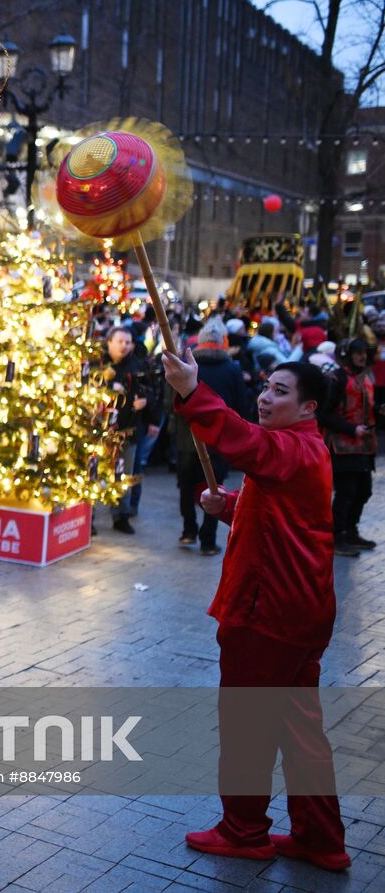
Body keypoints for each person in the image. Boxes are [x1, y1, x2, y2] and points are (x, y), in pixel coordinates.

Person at [162, 351, 349, 873]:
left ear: (309, 406)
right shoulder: (306, 450)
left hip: (269, 614)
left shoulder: (294, 448)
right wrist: (232, 509)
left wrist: (192, 391)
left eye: (281, 391)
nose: (266, 397)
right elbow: (284, 522)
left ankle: (244, 831)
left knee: (248, 725)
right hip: (301, 612)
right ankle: (320, 837)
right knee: (299, 728)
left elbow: (244, 441)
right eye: (266, 387)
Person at [170, 318, 246, 556]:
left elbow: (169, 402)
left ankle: (188, 530)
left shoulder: (184, 368)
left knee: (186, 486)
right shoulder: (232, 370)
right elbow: (241, 406)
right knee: (215, 489)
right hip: (217, 440)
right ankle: (207, 539)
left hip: (186, 438)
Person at [320, 337, 376, 557]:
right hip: (342, 446)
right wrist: (351, 429)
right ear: (347, 354)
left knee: (364, 491)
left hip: (364, 446)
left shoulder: (366, 376)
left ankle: (351, 530)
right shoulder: (336, 379)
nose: (363, 356)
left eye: (364, 352)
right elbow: (323, 414)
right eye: (358, 352)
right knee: (346, 492)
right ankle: (336, 536)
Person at [104, 326, 160, 534]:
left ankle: (121, 515)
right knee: (96, 473)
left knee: (124, 474)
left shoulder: (138, 366)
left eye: (127, 342)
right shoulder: (100, 365)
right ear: (109, 342)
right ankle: (88, 518)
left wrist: (146, 403)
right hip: (100, 431)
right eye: (120, 341)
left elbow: (152, 392)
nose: (124, 346)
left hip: (128, 430)